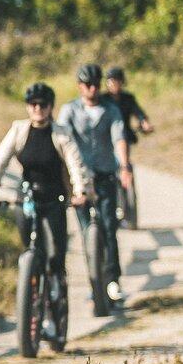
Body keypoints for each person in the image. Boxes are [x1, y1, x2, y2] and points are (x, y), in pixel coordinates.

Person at [0, 82, 91, 341]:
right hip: (27, 198)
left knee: (55, 257)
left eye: (43, 104)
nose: (38, 109)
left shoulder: (60, 133)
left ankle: (55, 303)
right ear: (27, 107)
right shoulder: (19, 130)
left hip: (54, 199)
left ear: (51, 107)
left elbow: (75, 164)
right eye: (33, 104)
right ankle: (31, 287)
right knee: (30, 251)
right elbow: (0, 158)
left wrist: (80, 191)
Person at [56, 63, 134, 306]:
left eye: (95, 84)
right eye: (87, 85)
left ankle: (112, 280)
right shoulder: (70, 110)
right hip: (80, 179)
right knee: (85, 231)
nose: (92, 89)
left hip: (105, 175)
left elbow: (119, 138)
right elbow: (60, 140)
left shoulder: (111, 111)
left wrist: (124, 167)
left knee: (109, 227)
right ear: (80, 87)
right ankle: (94, 283)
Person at [103, 66, 153, 146]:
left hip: (124, 136)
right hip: (106, 137)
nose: (113, 84)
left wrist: (144, 122)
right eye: (111, 82)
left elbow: (138, 112)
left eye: (116, 81)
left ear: (121, 82)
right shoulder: (103, 99)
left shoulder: (128, 98)